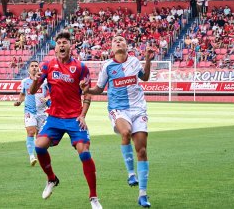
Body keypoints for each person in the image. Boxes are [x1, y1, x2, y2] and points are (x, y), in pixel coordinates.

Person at [29, 32, 102, 209]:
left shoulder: (81, 67)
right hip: (54, 117)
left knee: (84, 152)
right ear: (55, 48)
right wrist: (36, 79)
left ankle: (93, 197)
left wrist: (83, 115)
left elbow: (87, 95)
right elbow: (32, 91)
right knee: (39, 146)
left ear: (71, 46)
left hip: (74, 117)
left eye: (65, 42)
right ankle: (52, 179)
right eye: (59, 43)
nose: (61, 45)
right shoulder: (47, 66)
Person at [80, 35, 154, 208]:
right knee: (125, 132)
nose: (119, 42)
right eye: (115, 41)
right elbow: (98, 89)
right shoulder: (107, 66)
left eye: (122, 40)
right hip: (118, 109)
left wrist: (148, 61)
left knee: (142, 151)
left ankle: (142, 194)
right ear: (112, 48)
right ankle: (130, 173)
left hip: (138, 108)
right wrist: (86, 89)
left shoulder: (135, 61)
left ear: (127, 45)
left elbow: (145, 77)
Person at [14, 60, 49, 167]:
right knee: (31, 132)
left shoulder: (45, 82)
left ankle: (40, 156)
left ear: (39, 68)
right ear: (29, 69)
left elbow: (52, 93)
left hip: (42, 112)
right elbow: (22, 94)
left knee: (40, 137)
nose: (34, 67)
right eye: (32, 66)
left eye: (36, 66)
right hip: (30, 111)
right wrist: (19, 101)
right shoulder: (25, 82)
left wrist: (47, 98)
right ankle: (31, 156)